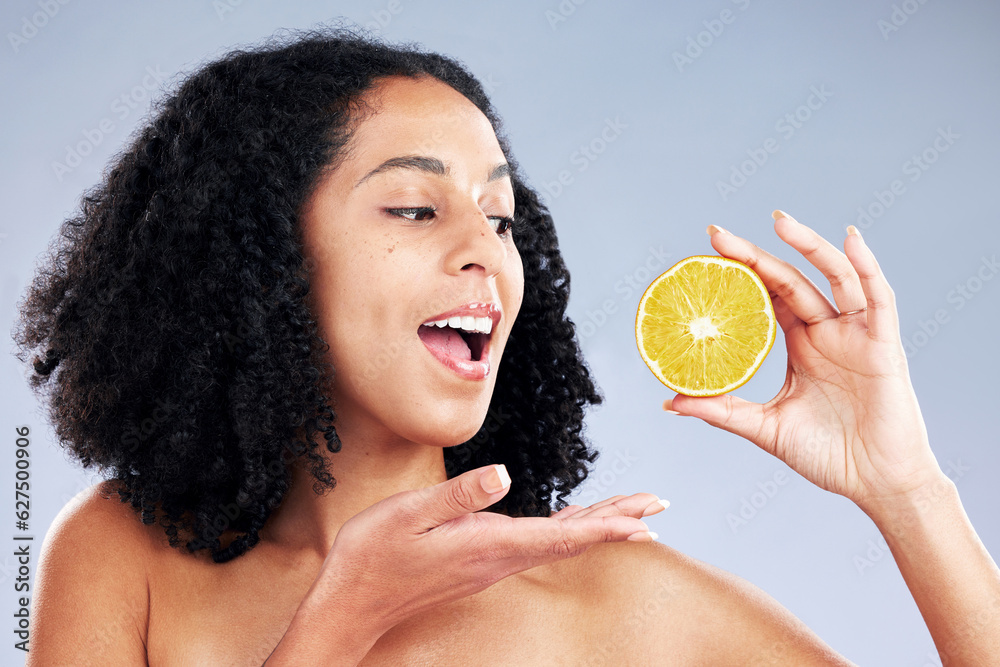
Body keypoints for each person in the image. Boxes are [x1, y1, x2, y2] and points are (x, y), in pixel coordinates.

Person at [14, 28, 999, 665]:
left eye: (500, 216)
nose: (485, 252)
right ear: (258, 256)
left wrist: (905, 485)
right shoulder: (118, 553)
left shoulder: (621, 609)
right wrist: (338, 621)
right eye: (413, 206)